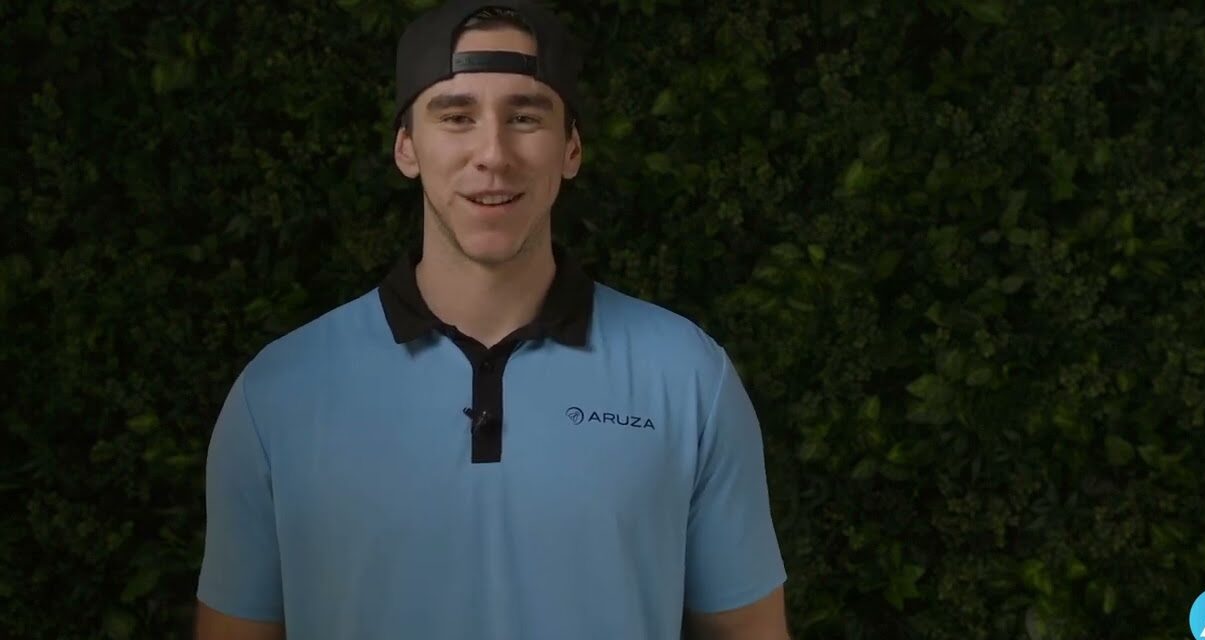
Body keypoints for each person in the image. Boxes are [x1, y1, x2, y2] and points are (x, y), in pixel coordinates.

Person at [193, 1, 789, 638]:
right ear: (406, 147)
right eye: (456, 117)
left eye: (525, 117)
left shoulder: (688, 377)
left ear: (571, 148)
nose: (493, 154)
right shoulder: (279, 392)